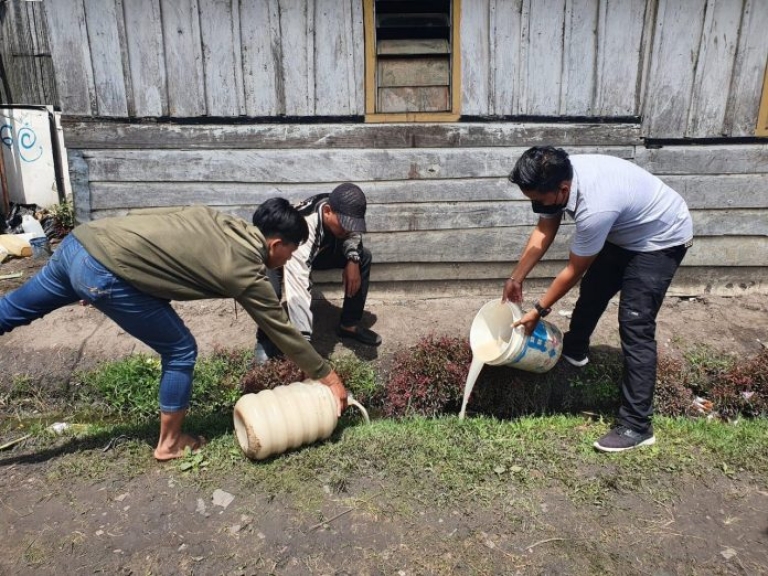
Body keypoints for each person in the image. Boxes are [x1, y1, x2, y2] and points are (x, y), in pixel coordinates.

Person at [0, 200, 348, 461]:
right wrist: (329, 378)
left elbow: (154, 226)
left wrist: (104, 266)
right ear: (275, 245)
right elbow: (282, 329)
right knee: (181, 350)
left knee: (13, 309)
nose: (288, 260)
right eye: (290, 252)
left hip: (83, 243)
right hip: (105, 271)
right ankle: (169, 444)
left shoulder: (218, 219)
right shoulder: (245, 270)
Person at [503, 146, 693, 452]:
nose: (537, 206)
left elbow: (574, 268)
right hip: (624, 231)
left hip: (660, 238)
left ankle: (637, 425)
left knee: (635, 323)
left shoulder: (596, 207)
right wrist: (516, 278)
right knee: (594, 291)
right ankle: (575, 351)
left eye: (539, 201)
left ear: (562, 190)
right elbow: (544, 230)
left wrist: (538, 309)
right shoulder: (555, 175)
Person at [254, 183, 381, 363]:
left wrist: (353, 259)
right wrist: (304, 346)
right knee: (270, 290)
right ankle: (265, 339)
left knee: (363, 256)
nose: (347, 229)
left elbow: (353, 231)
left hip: (318, 250)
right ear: (328, 211)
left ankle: (349, 325)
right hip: (281, 252)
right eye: (344, 224)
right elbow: (298, 283)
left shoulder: (343, 205)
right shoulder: (307, 222)